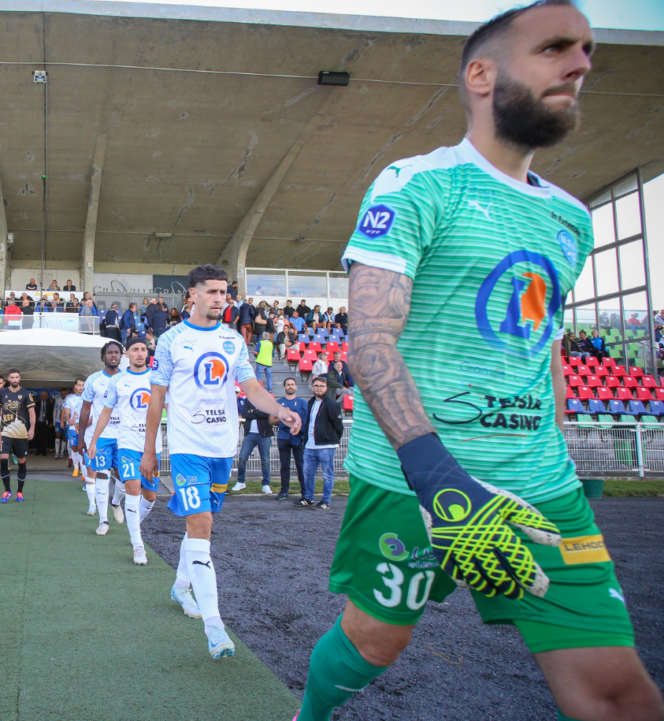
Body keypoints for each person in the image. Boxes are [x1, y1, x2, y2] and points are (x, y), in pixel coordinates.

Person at [297, 4, 664, 721]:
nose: (581, 63)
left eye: (586, 50)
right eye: (555, 47)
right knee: (375, 640)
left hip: (540, 487)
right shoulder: (418, 184)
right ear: (481, 74)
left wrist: (552, 443)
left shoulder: (571, 217)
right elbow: (370, 342)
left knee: (618, 693)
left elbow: (544, 343)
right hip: (415, 478)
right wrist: (439, 479)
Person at [139, 264, 301, 660]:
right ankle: (215, 626)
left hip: (222, 448)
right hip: (186, 446)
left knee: (202, 527)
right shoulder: (171, 340)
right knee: (202, 524)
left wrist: (279, 409)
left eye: (224, 292)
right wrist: (150, 448)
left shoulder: (232, 341)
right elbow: (157, 399)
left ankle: (180, 585)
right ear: (191, 295)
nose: (219, 298)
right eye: (211, 291)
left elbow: (252, 389)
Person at [87, 336, 161, 565]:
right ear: (126, 354)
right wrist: (93, 441)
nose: (140, 353)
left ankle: (133, 524)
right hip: (127, 444)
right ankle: (138, 546)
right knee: (133, 489)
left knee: (150, 496)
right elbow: (106, 413)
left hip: (152, 446)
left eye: (143, 349)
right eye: (135, 349)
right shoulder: (117, 381)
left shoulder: (157, 378)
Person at [78, 341, 124, 523]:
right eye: (110, 352)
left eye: (116, 352)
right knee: (101, 476)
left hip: (124, 437)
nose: (113, 355)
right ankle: (103, 521)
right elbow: (85, 409)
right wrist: (81, 438)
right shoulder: (93, 380)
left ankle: (116, 501)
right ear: (103, 356)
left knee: (124, 480)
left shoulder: (128, 378)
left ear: (121, 356)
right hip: (101, 437)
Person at [298, 376, 343, 509]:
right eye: (316, 386)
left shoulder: (332, 404)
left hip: (326, 445)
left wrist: (334, 439)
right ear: (312, 388)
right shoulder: (310, 402)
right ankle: (308, 498)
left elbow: (338, 425)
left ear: (326, 388)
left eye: (321, 386)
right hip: (310, 445)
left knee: (327, 474)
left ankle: (325, 500)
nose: (318, 388)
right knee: (307, 473)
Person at [0, 370, 35, 501]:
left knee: (22, 461)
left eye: (17, 377)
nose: (14, 379)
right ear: (8, 379)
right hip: (5, 432)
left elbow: (31, 412)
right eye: (12, 377)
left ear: (20, 378)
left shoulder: (26, 393)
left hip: (21, 433)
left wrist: (32, 428)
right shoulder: (1, 393)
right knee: (4, 459)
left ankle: (20, 491)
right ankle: (7, 490)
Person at [273, 378, 308, 501]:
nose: (290, 386)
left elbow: (307, 421)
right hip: (283, 437)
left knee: (301, 465)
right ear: (284, 387)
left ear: (296, 387)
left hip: (298, 437)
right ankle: (284, 491)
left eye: (292, 384)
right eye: (288, 384)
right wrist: (282, 416)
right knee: (284, 466)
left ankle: (305, 492)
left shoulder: (303, 403)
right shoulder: (279, 403)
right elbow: (271, 420)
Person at [233, 397, 274, 494]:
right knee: (242, 458)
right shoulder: (248, 400)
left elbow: (267, 414)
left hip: (264, 434)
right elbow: (245, 414)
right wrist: (258, 412)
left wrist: (253, 411)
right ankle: (241, 481)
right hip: (250, 434)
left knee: (265, 461)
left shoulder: (266, 399)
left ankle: (266, 484)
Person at [62, 377, 86, 477]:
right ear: (75, 386)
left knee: (84, 449)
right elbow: (66, 411)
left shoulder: (89, 397)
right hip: (72, 428)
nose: (81, 387)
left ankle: (83, 470)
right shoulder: (70, 398)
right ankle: (76, 468)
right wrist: (68, 419)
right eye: (79, 385)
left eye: (83, 385)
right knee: (75, 448)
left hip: (86, 428)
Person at [34, 390, 56, 456]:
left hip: (46, 423)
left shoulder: (50, 404)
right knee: (38, 436)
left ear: (46, 397)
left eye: (45, 396)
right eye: (42, 396)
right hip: (38, 422)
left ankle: (44, 450)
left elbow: (52, 414)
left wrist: (51, 422)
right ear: (41, 397)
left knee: (45, 437)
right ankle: (38, 450)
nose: (43, 397)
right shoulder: (37, 404)